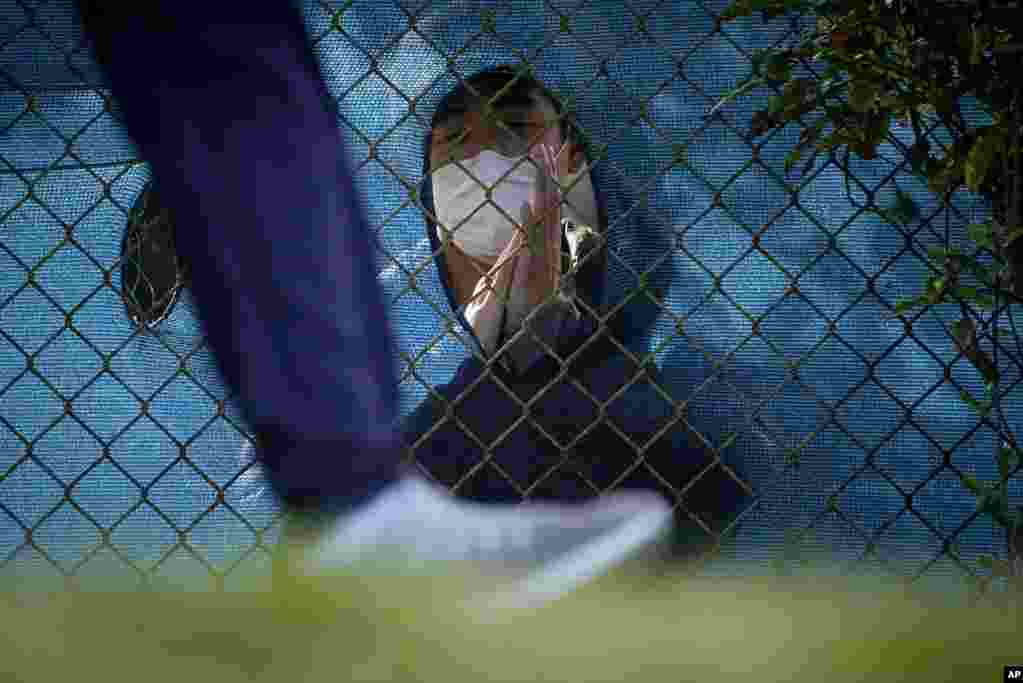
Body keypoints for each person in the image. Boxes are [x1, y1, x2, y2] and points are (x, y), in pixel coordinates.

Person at [72, 1, 731, 606]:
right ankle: (354, 508)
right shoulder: (446, 432)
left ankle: (354, 508)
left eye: (517, 146)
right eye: (457, 168)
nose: (488, 196)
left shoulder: (681, 418)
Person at [404, 65, 748, 556]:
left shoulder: (696, 432)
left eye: (516, 131)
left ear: (593, 179)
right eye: (455, 141)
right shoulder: (429, 448)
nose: (482, 161)